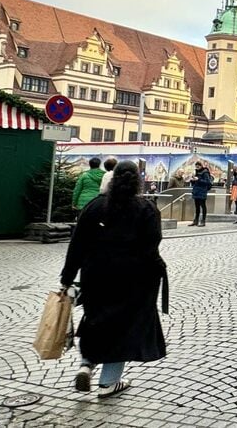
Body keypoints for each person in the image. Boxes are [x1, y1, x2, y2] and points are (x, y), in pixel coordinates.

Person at [60, 160, 167, 398]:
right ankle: (108, 382)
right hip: (133, 280)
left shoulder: (94, 207)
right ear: (138, 180)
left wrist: (67, 278)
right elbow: (151, 249)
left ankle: (86, 364)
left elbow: (76, 246)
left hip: (96, 276)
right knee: (123, 330)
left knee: (95, 321)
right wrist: (157, 272)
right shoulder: (147, 209)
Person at [188, 162, 212, 227]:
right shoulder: (196, 172)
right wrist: (192, 180)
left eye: (198, 166)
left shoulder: (205, 172)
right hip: (196, 191)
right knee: (197, 207)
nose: (197, 168)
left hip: (202, 191)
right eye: (196, 166)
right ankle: (196, 220)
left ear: (201, 166)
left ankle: (203, 221)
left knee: (203, 206)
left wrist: (198, 179)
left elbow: (207, 182)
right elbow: (195, 183)